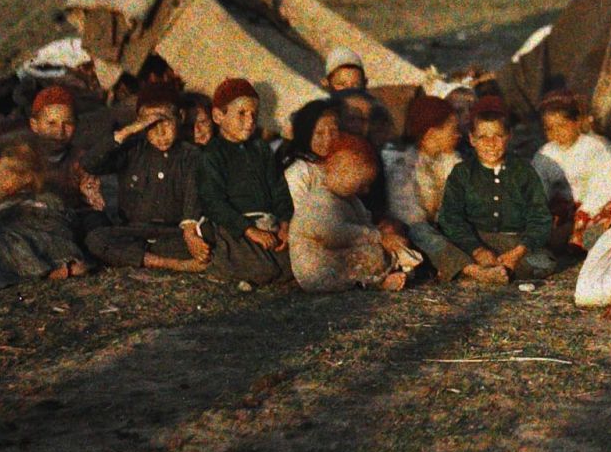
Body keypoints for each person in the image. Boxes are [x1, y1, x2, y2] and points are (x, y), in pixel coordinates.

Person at [78, 82, 206, 272]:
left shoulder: (190, 155)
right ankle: (170, 264)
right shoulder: (132, 149)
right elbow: (90, 164)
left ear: (180, 117)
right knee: (96, 239)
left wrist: (190, 233)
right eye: (151, 125)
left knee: (206, 239)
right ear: (139, 123)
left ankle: (139, 256)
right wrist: (126, 132)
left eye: (165, 122)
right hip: (133, 231)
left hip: (173, 233)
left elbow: (192, 199)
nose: (160, 133)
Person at [437, 98, 558, 284]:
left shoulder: (523, 171)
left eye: (498, 136)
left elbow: (540, 218)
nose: (490, 143)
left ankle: (486, 270)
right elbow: (451, 217)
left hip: (512, 242)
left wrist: (518, 252)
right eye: (482, 137)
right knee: (440, 243)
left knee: (545, 262)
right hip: (474, 239)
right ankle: (480, 270)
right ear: (471, 139)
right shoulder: (462, 172)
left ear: (508, 136)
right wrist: (476, 249)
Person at [194, 78, 293, 287]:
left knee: (292, 263)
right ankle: (222, 263)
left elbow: (279, 189)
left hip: (267, 224)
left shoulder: (261, 149)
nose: (249, 121)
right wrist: (250, 231)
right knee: (265, 269)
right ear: (218, 116)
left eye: (253, 115)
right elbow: (214, 202)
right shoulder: (212, 154)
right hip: (235, 225)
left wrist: (284, 224)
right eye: (241, 113)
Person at [289, 134, 412, 292]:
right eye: (362, 184)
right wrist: (377, 237)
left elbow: (364, 221)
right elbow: (333, 234)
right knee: (372, 256)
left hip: (337, 255)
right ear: (341, 171)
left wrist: (384, 231)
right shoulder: (320, 200)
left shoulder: (351, 199)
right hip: (316, 266)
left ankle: (388, 272)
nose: (365, 190)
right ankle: (377, 282)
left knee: (378, 253)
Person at [0, 85, 108, 245]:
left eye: (67, 124)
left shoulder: (80, 158)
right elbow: (1, 194)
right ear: (34, 125)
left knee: (97, 228)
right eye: (51, 124)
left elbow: (91, 198)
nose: (59, 132)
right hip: (32, 218)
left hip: (69, 219)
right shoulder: (22, 155)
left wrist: (93, 195)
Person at [388, 93, 479, 282]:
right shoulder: (403, 165)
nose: (458, 134)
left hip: (445, 225)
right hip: (415, 233)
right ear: (430, 134)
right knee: (420, 232)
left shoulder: (451, 159)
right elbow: (409, 216)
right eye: (452, 130)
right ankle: (470, 269)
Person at [0, 143, 89, 287]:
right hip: (15, 246)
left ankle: (55, 268)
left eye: (6, 174)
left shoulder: (43, 198)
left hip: (44, 241)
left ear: (28, 176)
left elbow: (56, 222)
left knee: (10, 240)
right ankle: (47, 271)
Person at [532, 90, 611, 248]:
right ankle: (562, 238)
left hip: (593, 207)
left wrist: (586, 210)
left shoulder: (596, 147)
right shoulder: (546, 153)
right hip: (563, 208)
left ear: (576, 122)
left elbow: (607, 185)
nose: (556, 133)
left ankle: (589, 238)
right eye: (549, 128)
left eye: (562, 126)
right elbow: (538, 183)